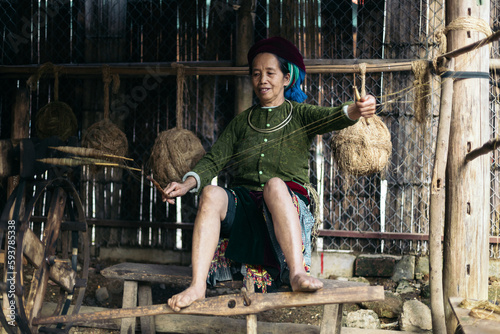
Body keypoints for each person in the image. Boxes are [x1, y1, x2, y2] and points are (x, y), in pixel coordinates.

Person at [162, 36, 376, 312]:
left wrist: (356, 109)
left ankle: (297, 273)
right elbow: (214, 160)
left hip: (284, 204)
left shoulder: (300, 114)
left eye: (270, 73)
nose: (262, 79)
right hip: (246, 208)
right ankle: (197, 285)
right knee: (211, 193)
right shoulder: (242, 122)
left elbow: (332, 116)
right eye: (256, 73)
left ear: (286, 79)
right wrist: (186, 183)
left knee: (275, 185)